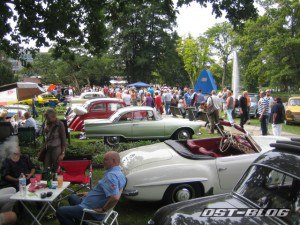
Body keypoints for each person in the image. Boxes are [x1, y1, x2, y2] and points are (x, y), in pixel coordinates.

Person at [56, 151, 126, 225]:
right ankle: (82, 222)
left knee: (61, 211)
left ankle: (81, 219)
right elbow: (112, 191)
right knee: (72, 197)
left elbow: (115, 197)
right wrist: (89, 194)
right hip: (93, 203)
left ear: (114, 161)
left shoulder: (111, 176)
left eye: (105, 160)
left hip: (91, 210)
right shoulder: (119, 173)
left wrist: (103, 209)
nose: (103, 162)